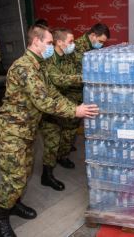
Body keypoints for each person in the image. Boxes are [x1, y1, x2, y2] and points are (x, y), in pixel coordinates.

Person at [0, 25, 98, 237]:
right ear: (36, 41)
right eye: (49, 43)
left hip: (27, 129)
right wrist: (74, 110)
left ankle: (14, 204)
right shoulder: (25, 67)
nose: (51, 46)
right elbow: (44, 102)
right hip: (11, 130)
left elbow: (53, 94)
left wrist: (76, 108)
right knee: (15, 177)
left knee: (24, 171)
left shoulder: (39, 66)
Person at [40, 28, 82, 191]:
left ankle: (62, 157)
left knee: (68, 135)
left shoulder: (68, 56)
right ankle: (47, 175)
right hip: (50, 108)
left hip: (66, 103)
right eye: (71, 41)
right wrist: (84, 77)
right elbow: (58, 80)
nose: (73, 45)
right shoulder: (47, 59)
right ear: (59, 42)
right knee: (52, 141)